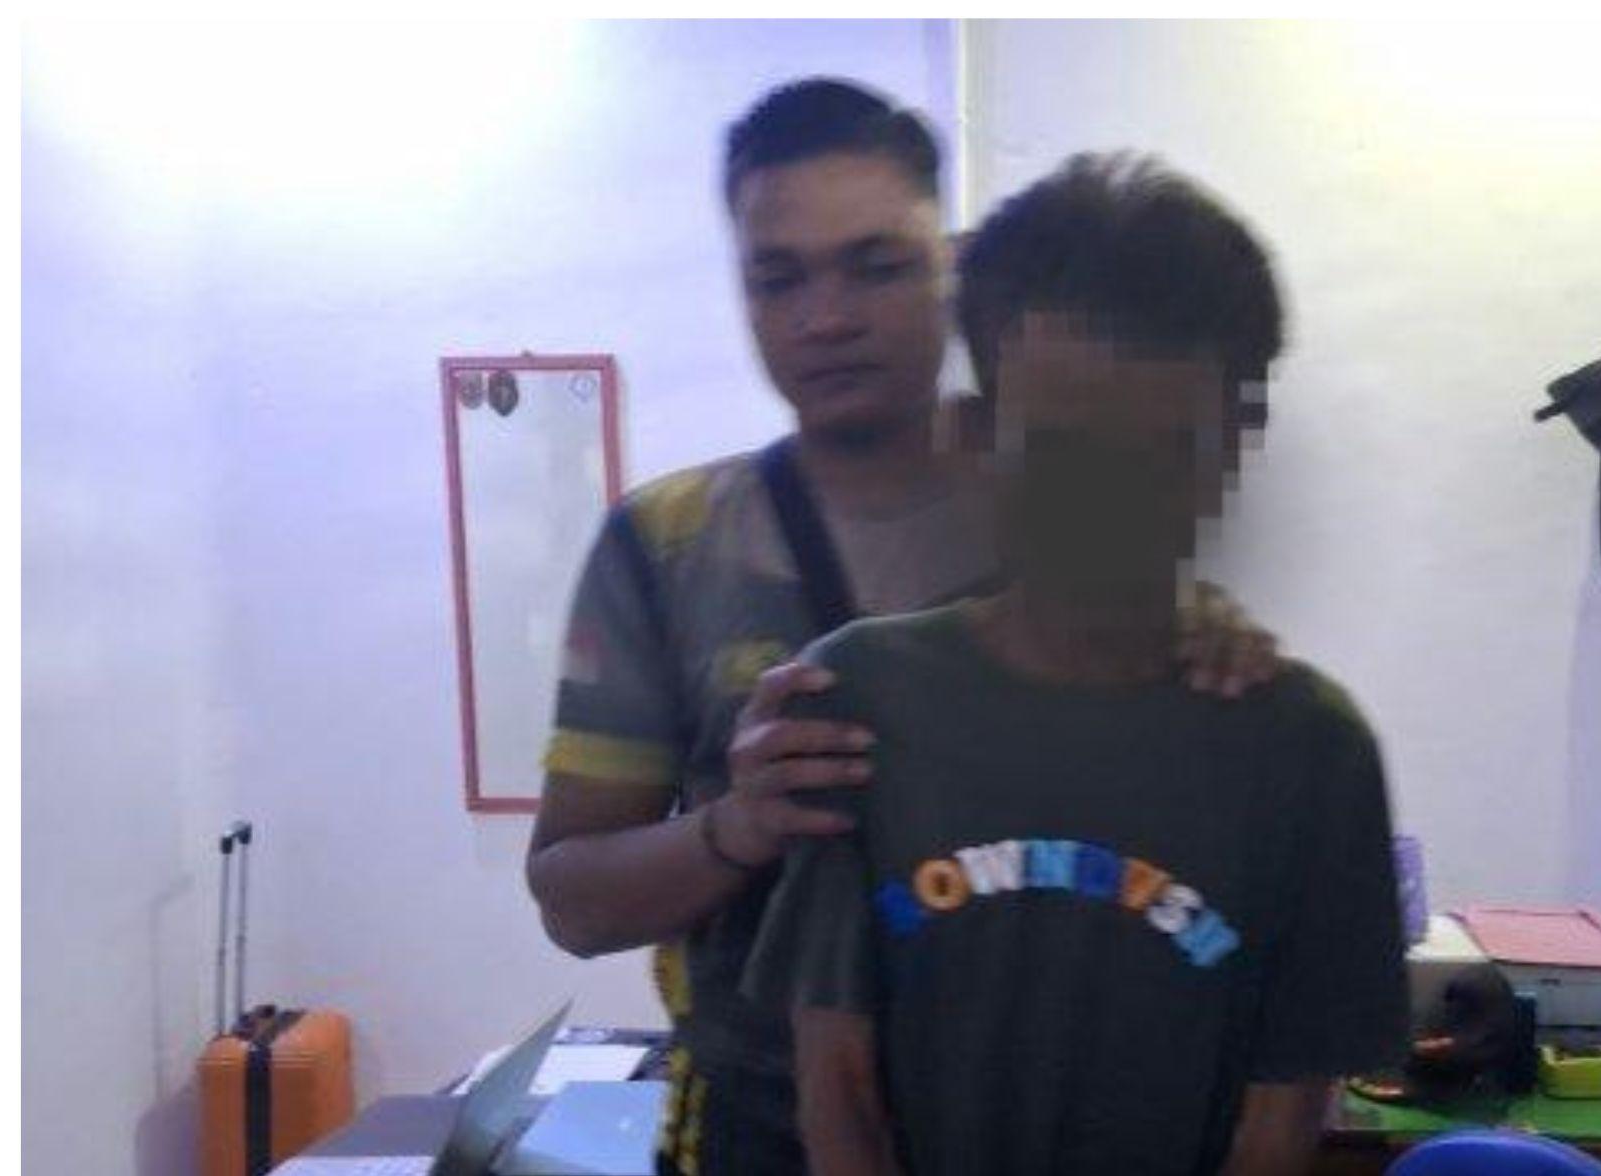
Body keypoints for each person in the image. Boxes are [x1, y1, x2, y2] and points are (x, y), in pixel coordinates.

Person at [525, 79, 1279, 1176]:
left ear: (952, 266)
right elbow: (574, 903)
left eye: (875, 266)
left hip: (1056, 1122)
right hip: (762, 1130)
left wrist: (1210, 663)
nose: (824, 317)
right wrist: (738, 825)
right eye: (779, 278)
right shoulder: (668, 546)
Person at [743, 154, 1410, 1176]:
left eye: (1163, 456)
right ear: (975, 439)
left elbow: (1279, 1123)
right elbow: (838, 1086)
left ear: (1235, 448)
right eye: (1062, 454)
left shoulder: (1309, 751)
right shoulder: (859, 702)